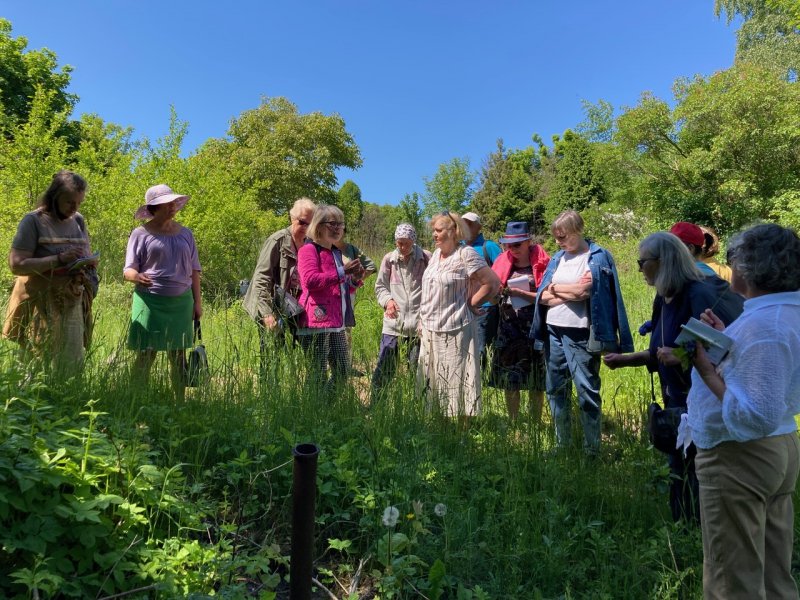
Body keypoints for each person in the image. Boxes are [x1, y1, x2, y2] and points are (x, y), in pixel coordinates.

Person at [685, 224, 800, 599]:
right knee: (772, 569)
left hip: (740, 455)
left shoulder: (767, 324)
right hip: (775, 447)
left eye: (733, 261)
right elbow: (763, 379)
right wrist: (726, 340)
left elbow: (755, 414)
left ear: (749, 268)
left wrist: (706, 370)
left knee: (731, 577)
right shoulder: (782, 313)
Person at [603, 232, 743, 522]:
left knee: (699, 477)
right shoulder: (665, 295)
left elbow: (727, 348)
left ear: (663, 261)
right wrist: (626, 360)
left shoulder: (700, 294)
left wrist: (680, 357)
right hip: (678, 403)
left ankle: (697, 539)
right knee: (678, 472)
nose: (640, 268)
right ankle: (683, 535)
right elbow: (660, 350)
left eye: (643, 262)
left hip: (707, 403)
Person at [530, 210, 633, 455]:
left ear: (578, 230)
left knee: (586, 389)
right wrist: (564, 290)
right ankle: (562, 444)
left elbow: (585, 294)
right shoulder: (557, 258)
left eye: (563, 236)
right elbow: (542, 296)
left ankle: (592, 449)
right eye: (556, 237)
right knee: (555, 388)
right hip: (553, 330)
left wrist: (560, 290)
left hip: (581, 332)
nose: (559, 241)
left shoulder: (596, 257)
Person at [3, 170, 97, 375]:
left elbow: (85, 251)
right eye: (70, 202)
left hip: (72, 298)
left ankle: (70, 402)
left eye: (79, 203)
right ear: (54, 197)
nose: (75, 208)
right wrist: (59, 259)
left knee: (72, 362)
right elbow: (17, 265)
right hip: (41, 300)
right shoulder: (33, 221)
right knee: (40, 361)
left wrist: (88, 262)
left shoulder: (78, 220)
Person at [417, 211, 500, 421]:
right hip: (430, 329)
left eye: (438, 230)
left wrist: (473, 303)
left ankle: (460, 432)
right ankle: (437, 427)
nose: (434, 235)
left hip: (456, 329)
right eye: (433, 230)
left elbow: (492, 283)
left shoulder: (466, 254)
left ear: (454, 231)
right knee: (431, 382)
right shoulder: (435, 256)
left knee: (457, 382)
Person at [124, 184, 202, 398]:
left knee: (178, 356)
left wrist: (197, 303)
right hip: (150, 302)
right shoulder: (140, 234)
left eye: (173, 203)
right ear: (153, 208)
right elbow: (128, 269)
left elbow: (195, 270)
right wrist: (137, 276)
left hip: (181, 302)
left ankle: (179, 403)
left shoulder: (186, 234)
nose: (172, 207)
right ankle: (135, 401)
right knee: (145, 354)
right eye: (165, 204)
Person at [243, 197, 316, 373]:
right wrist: (267, 314)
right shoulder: (277, 241)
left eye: (310, 224)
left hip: (295, 306)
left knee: (312, 350)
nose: (306, 228)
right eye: (302, 222)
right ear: (292, 219)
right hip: (271, 304)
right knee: (271, 355)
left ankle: (310, 392)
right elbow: (261, 279)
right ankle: (268, 393)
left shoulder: (311, 244)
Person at [296, 204, 365, 390]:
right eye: (332, 224)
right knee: (317, 374)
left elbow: (339, 289)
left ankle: (325, 409)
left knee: (342, 370)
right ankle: (314, 414)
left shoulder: (335, 252)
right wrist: (343, 271)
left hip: (336, 322)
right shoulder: (308, 251)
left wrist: (354, 280)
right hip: (315, 322)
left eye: (341, 224)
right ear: (318, 226)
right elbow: (310, 281)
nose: (338, 228)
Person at [487, 222, 550, 420]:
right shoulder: (502, 262)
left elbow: (547, 296)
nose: (512, 249)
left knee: (536, 379)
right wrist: (496, 294)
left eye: (517, 245)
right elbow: (492, 299)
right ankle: (513, 421)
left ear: (528, 242)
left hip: (535, 327)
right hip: (508, 328)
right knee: (510, 379)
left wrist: (522, 293)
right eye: (508, 245)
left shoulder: (542, 263)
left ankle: (535, 422)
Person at [371, 223, 431, 401]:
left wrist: (425, 317)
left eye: (405, 243)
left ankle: (419, 405)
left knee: (418, 369)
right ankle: (377, 403)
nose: (401, 247)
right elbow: (380, 286)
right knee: (385, 366)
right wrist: (387, 301)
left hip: (419, 325)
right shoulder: (389, 259)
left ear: (413, 240)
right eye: (398, 243)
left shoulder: (427, 258)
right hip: (393, 323)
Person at [333, 228, 377, 377]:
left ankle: (346, 364)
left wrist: (357, 280)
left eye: (341, 231)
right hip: (328, 296)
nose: (337, 233)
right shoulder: (324, 247)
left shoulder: (351, 249)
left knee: (346, 329)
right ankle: (330, 366)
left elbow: (371, 266)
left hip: (347, 295)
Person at [462, 211, 502, 366]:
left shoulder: (489, 247)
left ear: (479, 227)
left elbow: (501, 273)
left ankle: (481, 384)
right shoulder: (460, 248)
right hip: (464, 306)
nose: (467, 227)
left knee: (481, 348)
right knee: (467, 347)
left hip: (485, 307)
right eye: (464, 223)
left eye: (470, 224)